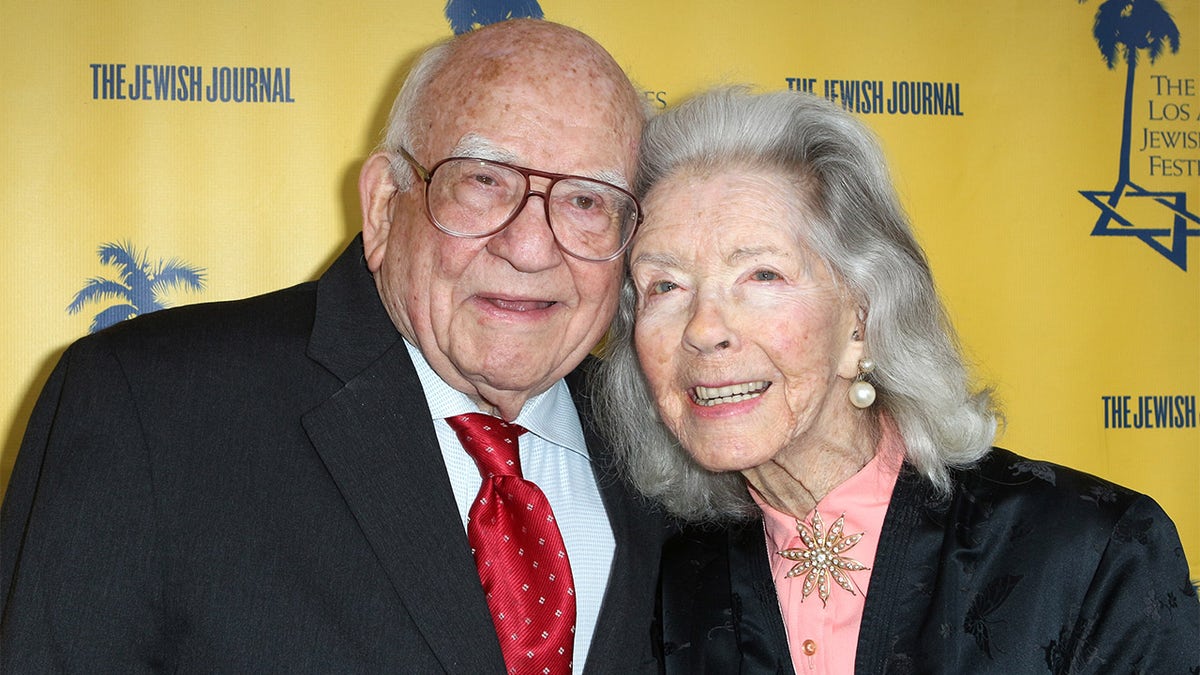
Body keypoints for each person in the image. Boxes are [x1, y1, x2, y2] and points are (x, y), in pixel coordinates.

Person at [0, 19, 666, 672]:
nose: (529, 246)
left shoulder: (672, 455)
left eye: (586, 200)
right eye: (484, 180)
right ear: (382, 205)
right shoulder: (148, 407)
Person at [593, 87, 1198, 673]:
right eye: (664, 287)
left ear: (861, 315)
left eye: (762, 275)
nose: (704, 329)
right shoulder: (655, 583)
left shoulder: (1092, 556)